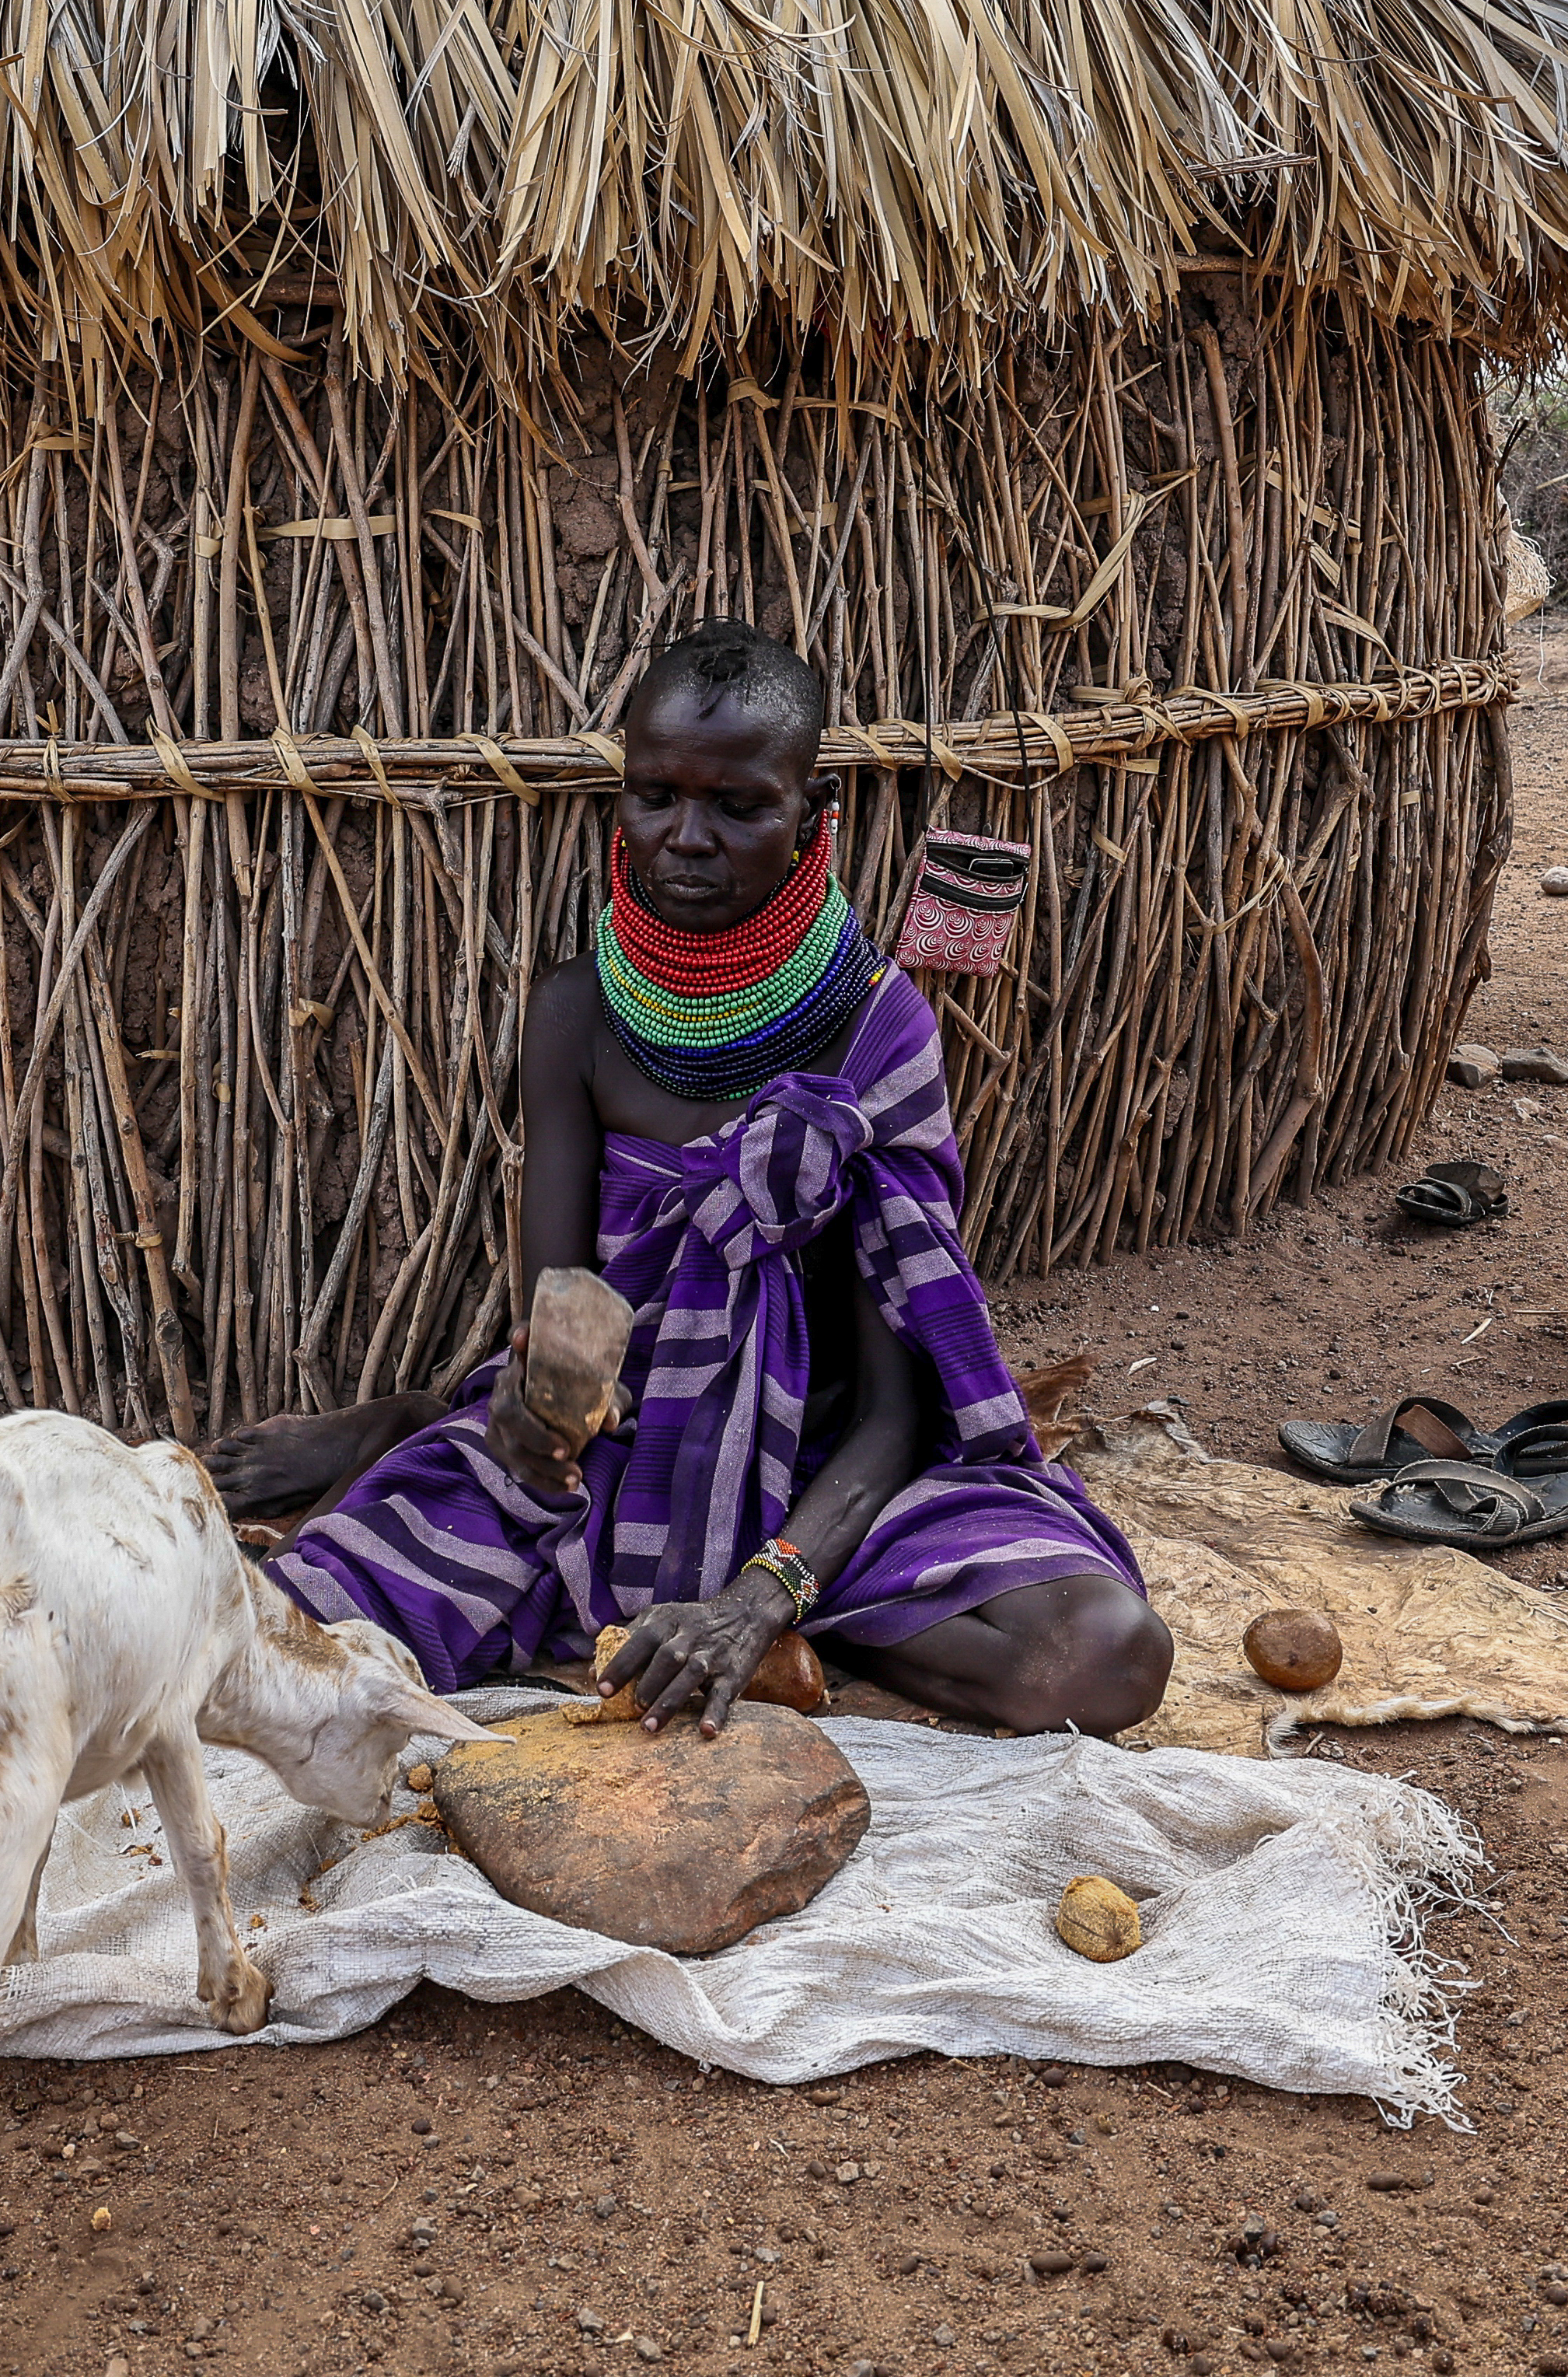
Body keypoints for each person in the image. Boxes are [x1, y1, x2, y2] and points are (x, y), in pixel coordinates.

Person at [210, 620, 1170, 1739]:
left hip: (838, 1466)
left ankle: (810, 1599)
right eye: (655, 795)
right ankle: (422, 1425)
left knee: (1102, 1656)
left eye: (739, 806)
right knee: (279, 1641)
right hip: (622, 1444)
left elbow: (897, 1412)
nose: (687, 838)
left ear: (813, 815)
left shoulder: (871, 1036)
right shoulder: (577, 1015)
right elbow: (567, 1335)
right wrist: (523, 1438)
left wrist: (759, 1597)